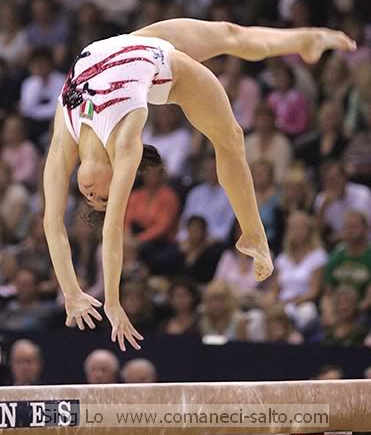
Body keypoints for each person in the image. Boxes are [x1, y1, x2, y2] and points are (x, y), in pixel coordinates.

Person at [42, 17, 356, 350]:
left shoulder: (66, 132)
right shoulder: (125, 147)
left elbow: (53, 222)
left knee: (230, 33)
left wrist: (83, 294)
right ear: (122, 178)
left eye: (90, 199)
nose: (91, 197)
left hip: (129, 43)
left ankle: (305, 39)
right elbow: (110, 230)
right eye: (101, 200)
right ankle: (254, 234)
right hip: (166, 69)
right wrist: (86, 296)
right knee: (232, 139)